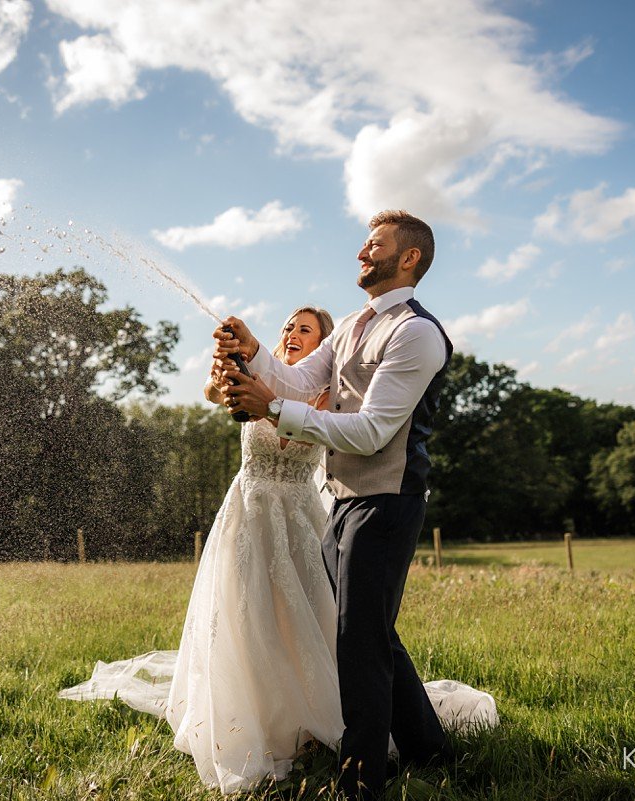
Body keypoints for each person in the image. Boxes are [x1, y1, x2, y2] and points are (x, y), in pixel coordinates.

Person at [215, 209, 460, 799]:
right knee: (372, 632)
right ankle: (429, 749)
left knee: (357, 641)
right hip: (342, 500)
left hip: (388, 499)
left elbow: (372, 431)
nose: (360, 253)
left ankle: (360, 782)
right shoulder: (352, 324)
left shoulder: (417, 334)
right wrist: (257, 354)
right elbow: (300, 381)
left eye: (374, 245)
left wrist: (271, 408)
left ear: (409, 259)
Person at [63, 307, 347, 792]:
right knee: (247, 616)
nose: (292, 335)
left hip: (301, 517)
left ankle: (315, 717)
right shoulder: (253, 372)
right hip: (248, 512)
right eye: (288, 328)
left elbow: (325, 429)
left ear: (322, 343)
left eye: (305, 330)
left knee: (310, 618)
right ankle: (256, 719)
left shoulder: (330, 392)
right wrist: (220, 378)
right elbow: (215, 393)